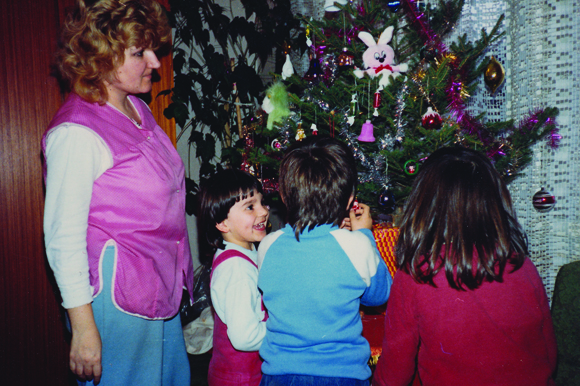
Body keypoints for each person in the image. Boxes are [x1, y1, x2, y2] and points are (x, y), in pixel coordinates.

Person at [42, 1, 194, 385]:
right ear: (102, 57)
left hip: (157, 283)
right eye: (140, 52)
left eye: (154, 49)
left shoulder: (138, 109)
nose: (157, 63)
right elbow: (63, 237)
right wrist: (84, 328)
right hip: (118, 296)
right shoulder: (76, 133)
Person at [373, 146, 557, 386]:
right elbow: (549, 355)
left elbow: (393, 375)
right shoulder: (523, 265)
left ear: (425, 205)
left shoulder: (417, 274)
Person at [257, 136, 392, 386]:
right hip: (342, 376)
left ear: (285, 196)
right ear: (350, 198)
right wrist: (364, 234)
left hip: (279, 375)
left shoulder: (268, 245)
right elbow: (380, 295)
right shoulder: (357, 246)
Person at [198, 169, 270, 386]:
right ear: (222, 223)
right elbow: (245, 338)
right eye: (250, 207)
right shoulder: (236, 268)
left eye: (261, 202)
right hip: (242, 378)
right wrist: (286, 329)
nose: (264, 211)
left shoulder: (243, 254)